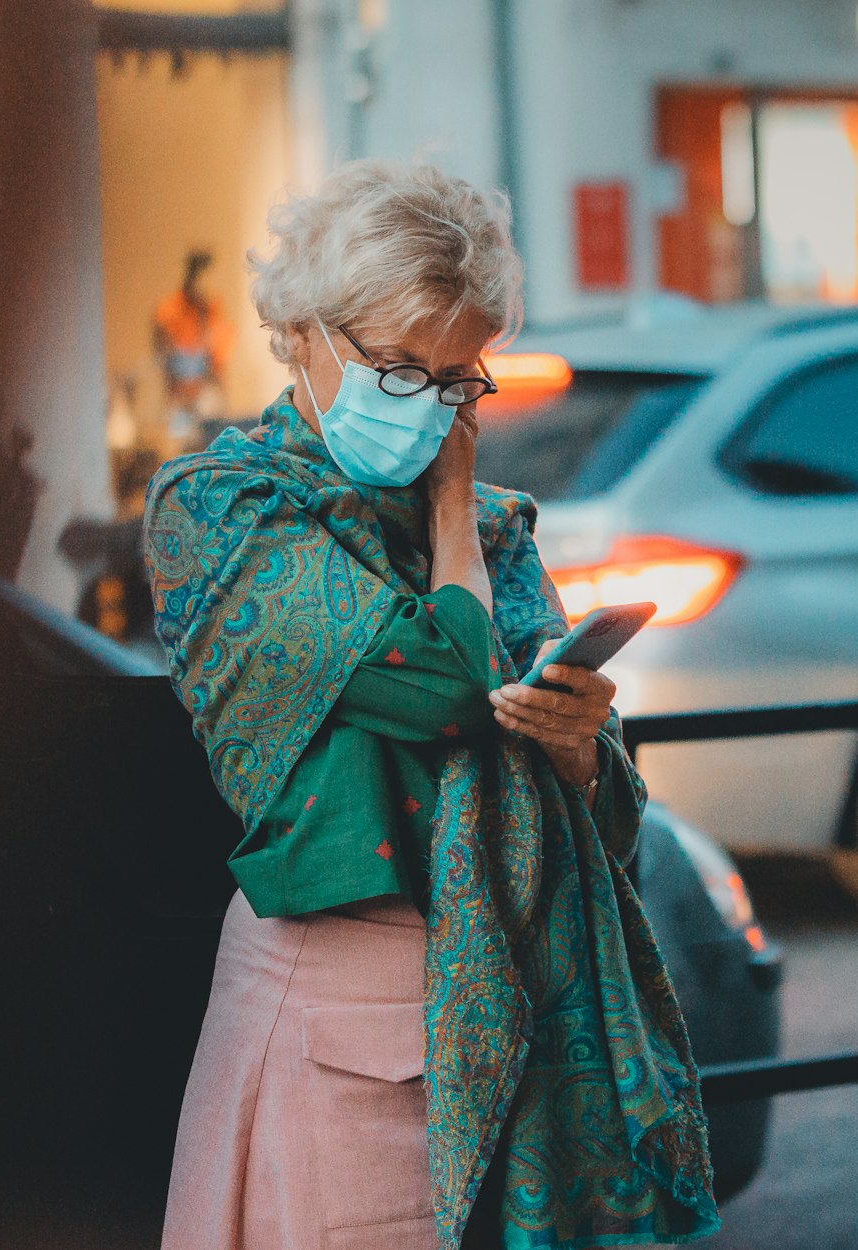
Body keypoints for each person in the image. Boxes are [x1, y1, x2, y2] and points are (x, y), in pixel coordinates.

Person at [142, 161, 721, 1250]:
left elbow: (606, 814)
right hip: (344, 1007)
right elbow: (443, 690)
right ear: (304, 330)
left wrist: (580, 744)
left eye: (460, 379)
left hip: (521, 1010)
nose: (434, 410)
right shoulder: (225, 507)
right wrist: (453, 506)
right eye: (401, 367)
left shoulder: (504, 536)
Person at [153, 248, 236, 450]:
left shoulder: (213, 310)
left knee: (212, 442)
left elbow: (218, 356)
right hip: (179, 394)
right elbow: (164, 355)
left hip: (205, 390)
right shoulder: (170, 309)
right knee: (179, 442)